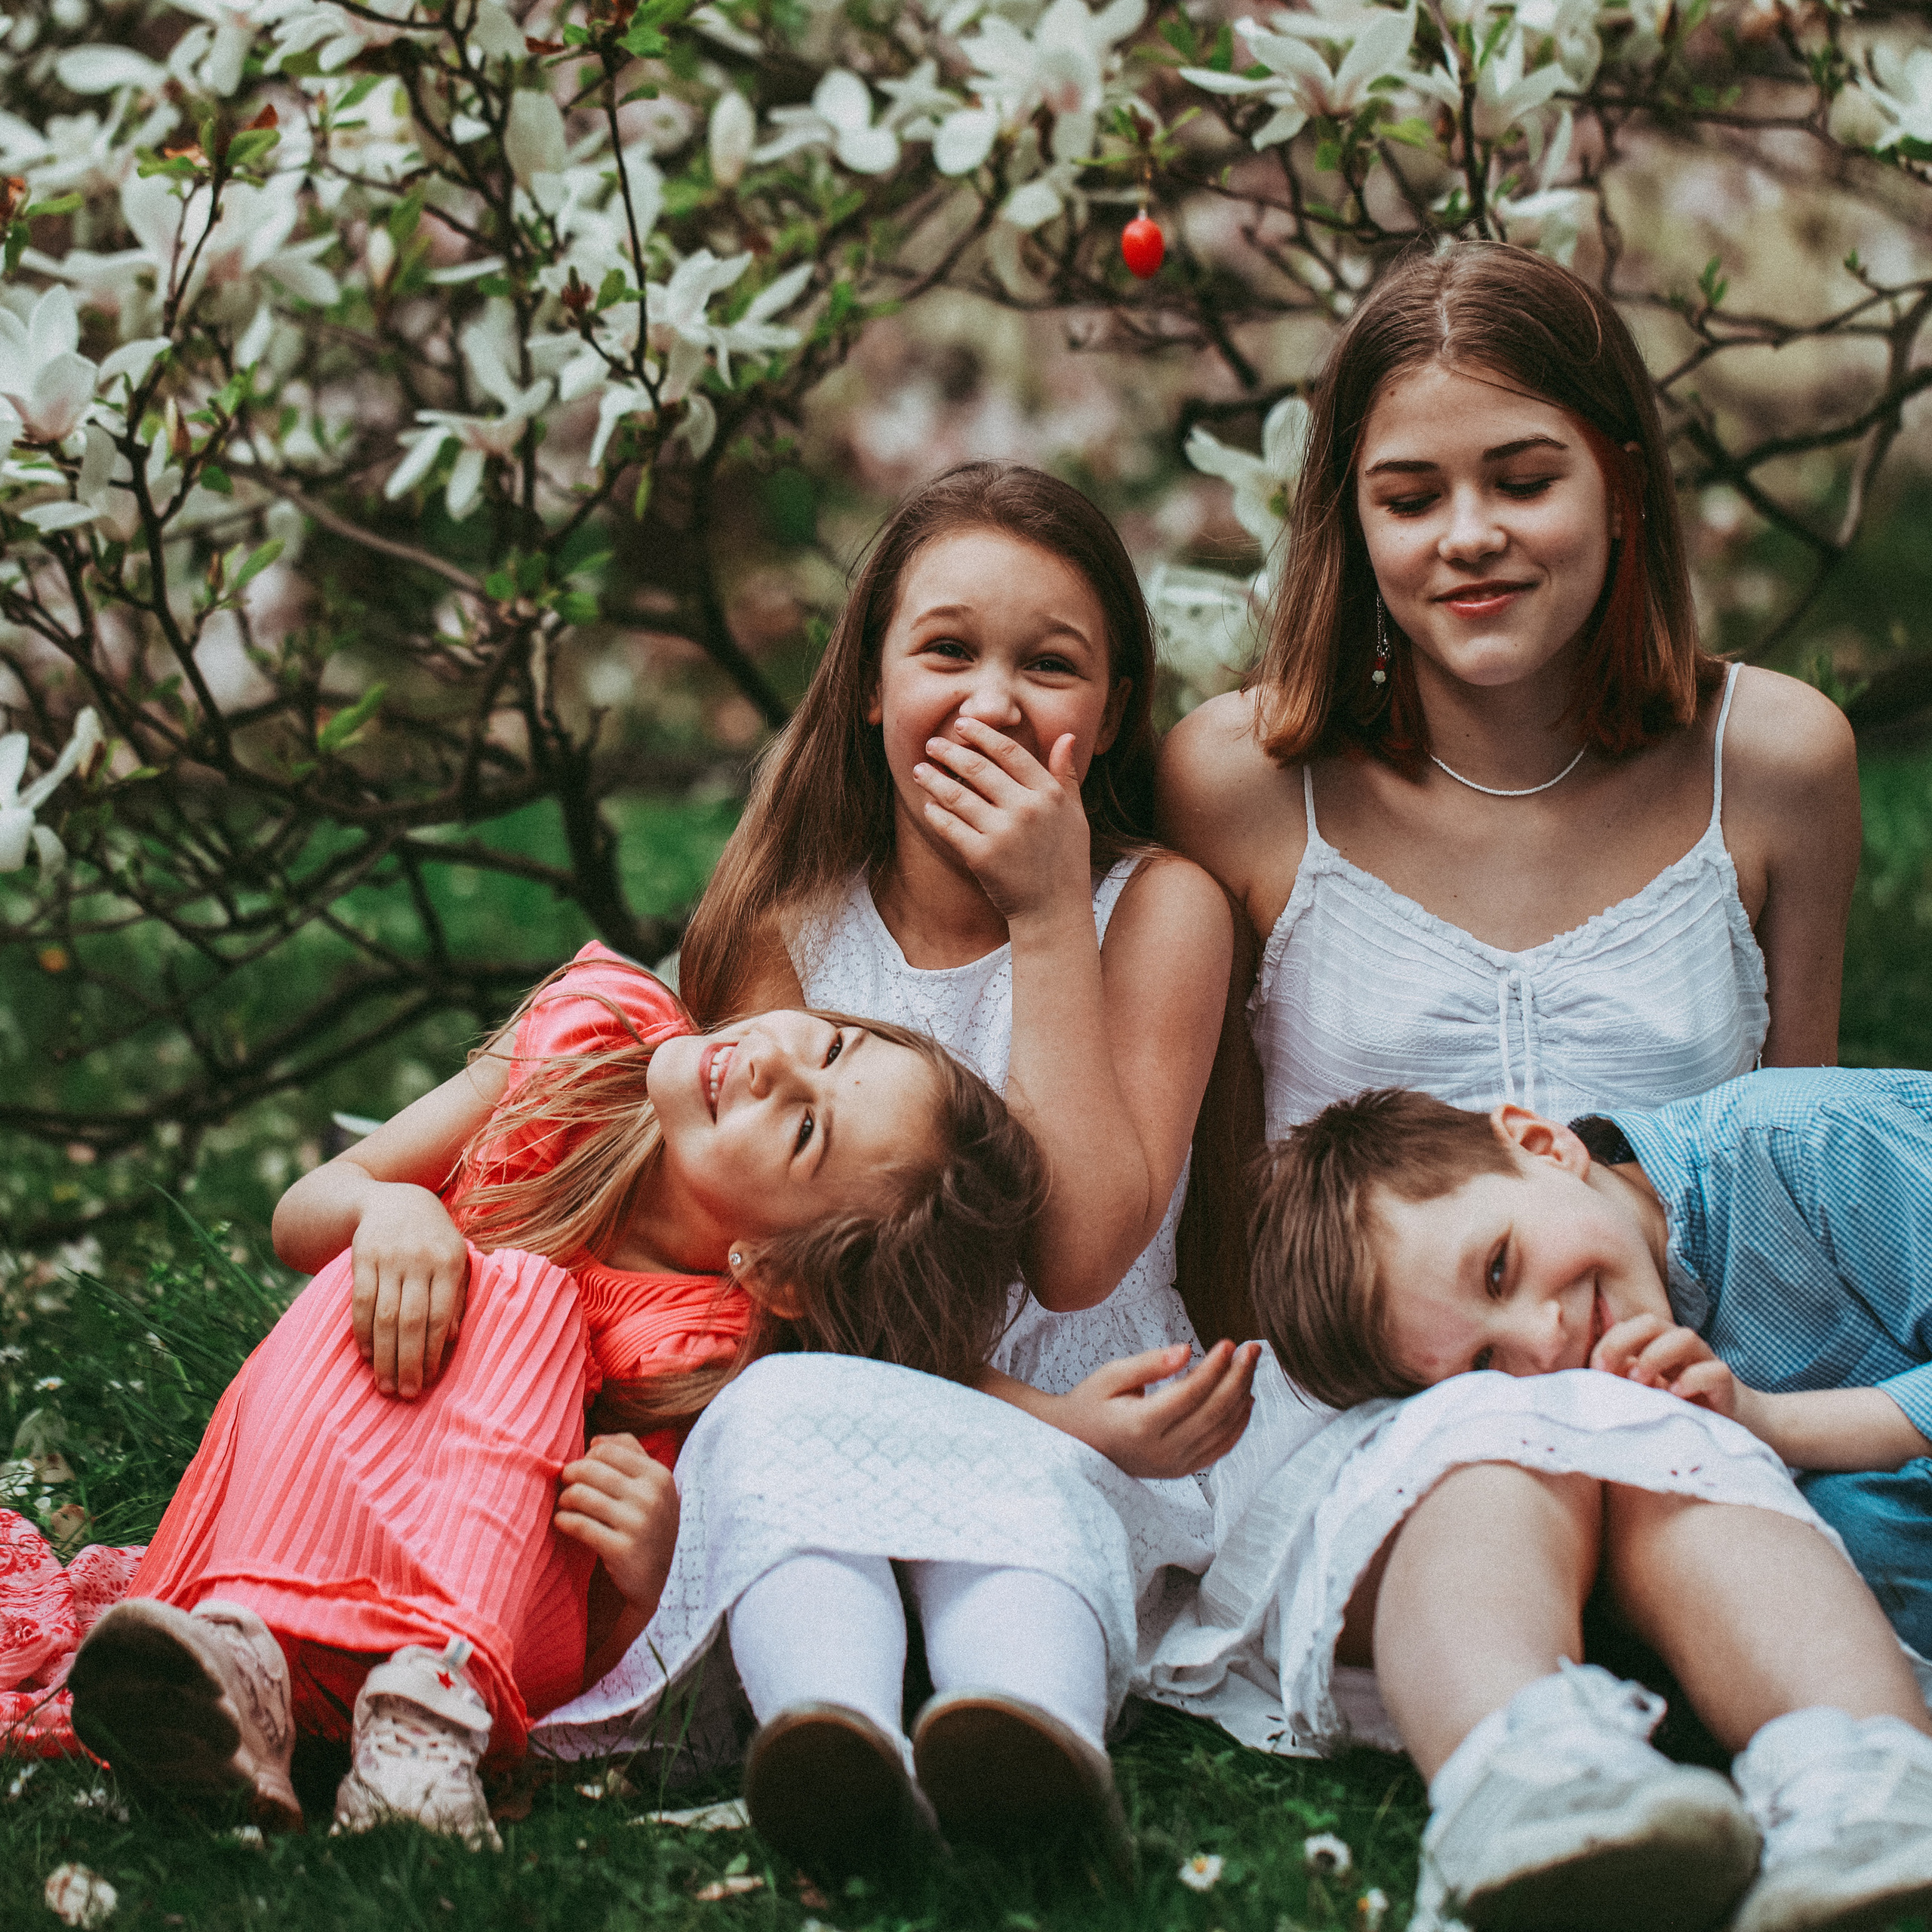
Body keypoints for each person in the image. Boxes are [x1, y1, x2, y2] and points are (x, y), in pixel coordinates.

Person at [1137, 238, 1922, 1932]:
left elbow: (1787, 1148)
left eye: (1521, 476)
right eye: (1407, 494)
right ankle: (1523, 1771)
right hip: (1371, 1417)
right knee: (1493, 1443)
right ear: (1346, 523)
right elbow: (1208, 1208)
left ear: (1618, 486)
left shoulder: (1772, 761)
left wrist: (1755, 1413)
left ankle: (1863, 1781)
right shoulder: (1243, 782)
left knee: (1642, 1443)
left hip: (1677, 1402)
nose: (1467, 535)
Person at [61, 946, 1054, 1852]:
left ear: (781, 1273)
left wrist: (664, 1571)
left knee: (521, 1294)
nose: (774, 1062)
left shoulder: (717, 1366)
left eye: (802, 1130)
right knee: (410, 1258)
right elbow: (305, 1215)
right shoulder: (587, 1052)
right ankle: (240, 1675)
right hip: (285, 1552)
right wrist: (394, 1204)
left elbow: (638, 1679)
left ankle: (418, 1716)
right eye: (830, 1044)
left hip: (467, 1666)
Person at [678, 460, 1249, 1420]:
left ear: (1112, 713)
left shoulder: (1162, 911)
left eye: (1051, 665)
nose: (992, 706)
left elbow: (1076, 1262)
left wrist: (1049, 913)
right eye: (947, 651)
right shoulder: (790, 936)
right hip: (860, 1415)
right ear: (869, 682)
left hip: (1108, 1428)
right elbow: (765, 1273)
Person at [1246, 1069, 1932, 1657]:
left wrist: (1768, 1419)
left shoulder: (1804, 1144)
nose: (1545, 1343)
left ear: (1542, 1146)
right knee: (1844, 1535)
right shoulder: (1605, 1406)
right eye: (1485, 1365)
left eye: (1498, 1269)